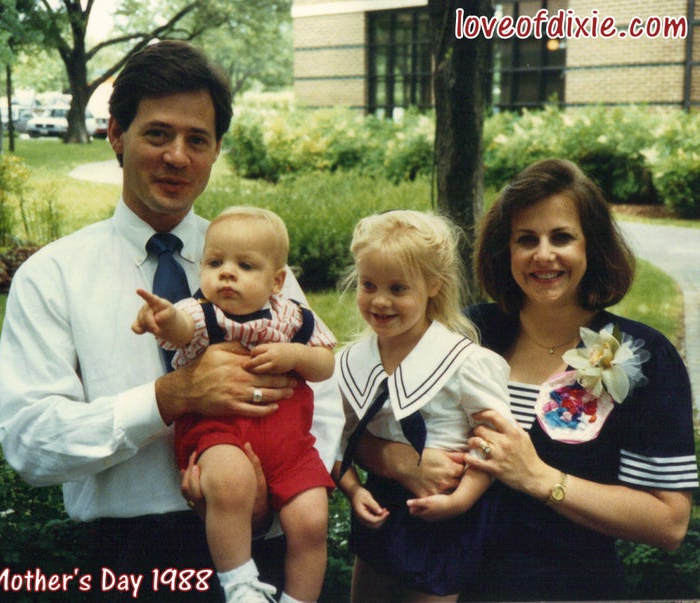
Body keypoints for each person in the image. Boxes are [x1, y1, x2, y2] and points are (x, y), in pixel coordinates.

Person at [0, 40, 343, 602]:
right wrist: (167, 398)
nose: (177, 157)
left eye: (196, 140)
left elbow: (325, 401)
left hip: (263, 551)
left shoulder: (254, 260)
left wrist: (278, 492)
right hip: (132, 561)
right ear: (116, 135)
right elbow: (30, 441)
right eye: (157, 133)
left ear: (215, 150)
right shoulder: (51, 276)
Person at [357, 159, 699, 601]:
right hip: (435, 577)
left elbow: (668, 524)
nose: (543, 255)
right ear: (506, 250)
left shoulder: (643, 357)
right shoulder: (464, 334)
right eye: (525, 239)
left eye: (561, 237)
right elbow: (353, 423)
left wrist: (539, 477)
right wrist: (397, 461)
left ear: (592, 245)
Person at [132, 205, 336, 603]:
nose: (226, 273)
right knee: (230, 482)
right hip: (220, 433)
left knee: (312, 520)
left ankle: (299, 599)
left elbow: (326, 363)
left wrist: (295, 357)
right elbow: (180, 328)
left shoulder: (294, 318)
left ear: (277, 281)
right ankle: (240, 584)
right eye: (215, 262)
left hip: (289, 446)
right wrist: (162, 317)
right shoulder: (203, 313)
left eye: (245, 265)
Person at [332, 210, 513, 602]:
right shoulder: (349, 362)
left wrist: (460, 500)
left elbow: (494, 443)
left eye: (398, 288)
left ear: (433, 285)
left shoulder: (463, 363)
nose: (380, 301)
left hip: (443, 514)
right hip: (379, 506)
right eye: (369, 285)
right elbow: (333, 436)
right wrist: (351, 489)